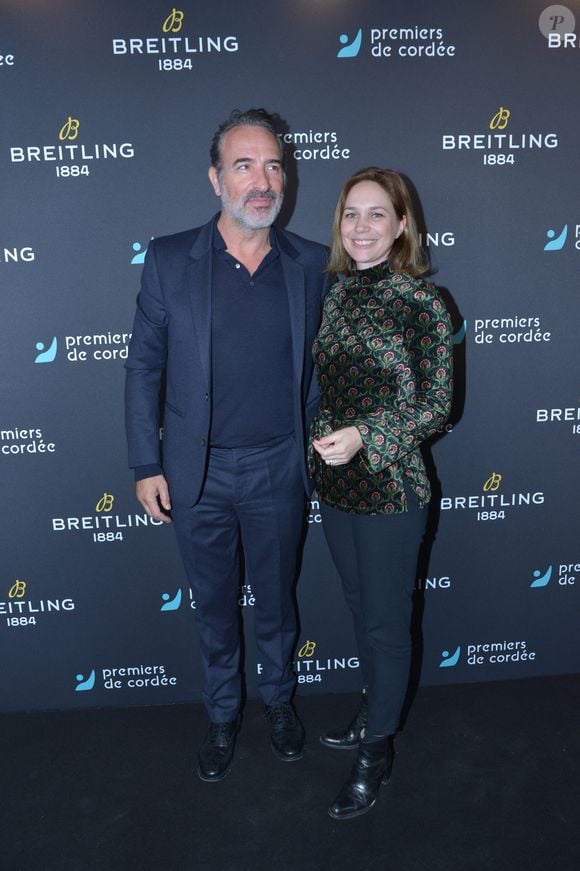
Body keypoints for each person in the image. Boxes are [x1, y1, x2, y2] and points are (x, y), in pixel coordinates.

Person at [125, 108, 329, 782]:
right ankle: (221, 713)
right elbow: (143, 368)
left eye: (273, 165)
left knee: (276, 600)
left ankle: (278, 701)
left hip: (279, 466)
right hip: (196, 473)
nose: (262, 180)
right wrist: (146, 462)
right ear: (216, 178)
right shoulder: (168, 259)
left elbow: (330, 368)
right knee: (213, 605)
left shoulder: (310, 264)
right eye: (245, 165)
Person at [310, 167, 453, 819]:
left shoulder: (422, 302)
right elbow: (325, 391)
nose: (361, 226)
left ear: (401, 225)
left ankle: (377, 751)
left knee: (386, 625)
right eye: (350, 214)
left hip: (394, 489)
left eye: (376, 214)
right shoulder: (334, 295)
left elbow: (438, 407)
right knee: (358, 605)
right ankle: (375, 706)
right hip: (337, 488)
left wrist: (367, 434)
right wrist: (323, 434)